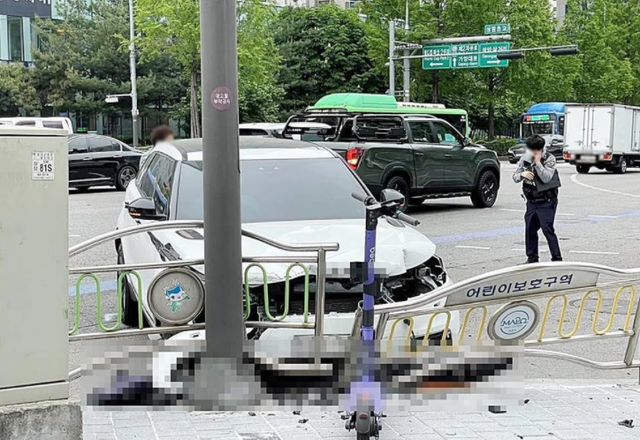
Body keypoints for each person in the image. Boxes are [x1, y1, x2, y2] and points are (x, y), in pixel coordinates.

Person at [512, 134, 562, 263]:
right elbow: (515, 177)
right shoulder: (525, 158)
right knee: (530, 229)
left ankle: (557, 259)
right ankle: (532, 258)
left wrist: (538, 163)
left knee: (547, 229)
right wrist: (522, 174)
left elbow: (546, 178)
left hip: (547, 200)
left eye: (536, 150)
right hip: (531, 200)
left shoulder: (549, 158)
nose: (533, 152)